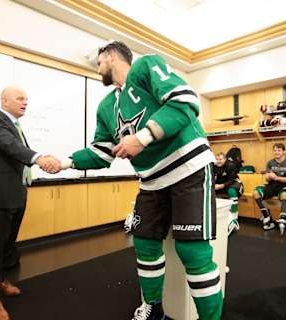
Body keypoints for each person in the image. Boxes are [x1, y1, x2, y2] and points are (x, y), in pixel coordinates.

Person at [58, 41, 223, 320]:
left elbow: (185, 101)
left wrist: (142, 138)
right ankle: (154, 308)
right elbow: (101, 153)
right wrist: (65, 162)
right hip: (151, 180)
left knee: (192, 252)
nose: (98, 70)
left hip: (189, 169)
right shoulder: (106, 105)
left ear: (110, 56)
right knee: (145, 246)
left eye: (98, 63)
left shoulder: (146, 66)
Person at [0, 86, 61, 320]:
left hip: (16, 195)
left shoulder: (16, 126)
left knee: (7, 245)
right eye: (20, 98)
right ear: (5, 101)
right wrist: (39, 158)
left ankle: (0, 280)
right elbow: (11, 147)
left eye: (27, 98)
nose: (26, 102)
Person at [253, 143, 286, 234]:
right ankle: (267, 216)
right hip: (272, 185)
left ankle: (282, 218)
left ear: (283, 151)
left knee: (284, 195)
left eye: (279, 150)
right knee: (256, 193)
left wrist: (277, 178)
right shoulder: (270, 163)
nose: (276, 152)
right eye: (275, 150)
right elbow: (267, 178)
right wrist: (269, 176)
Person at [214, 152, 242, 234]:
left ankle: (235, 218)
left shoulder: (231, 165)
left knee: (232, 191)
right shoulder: (214, 166)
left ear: (225, 159)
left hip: (234, 183)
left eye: (221, 159)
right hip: (222, 185)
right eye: (217, 159)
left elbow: (231, 180)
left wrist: (221, 186)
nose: (219, 161)